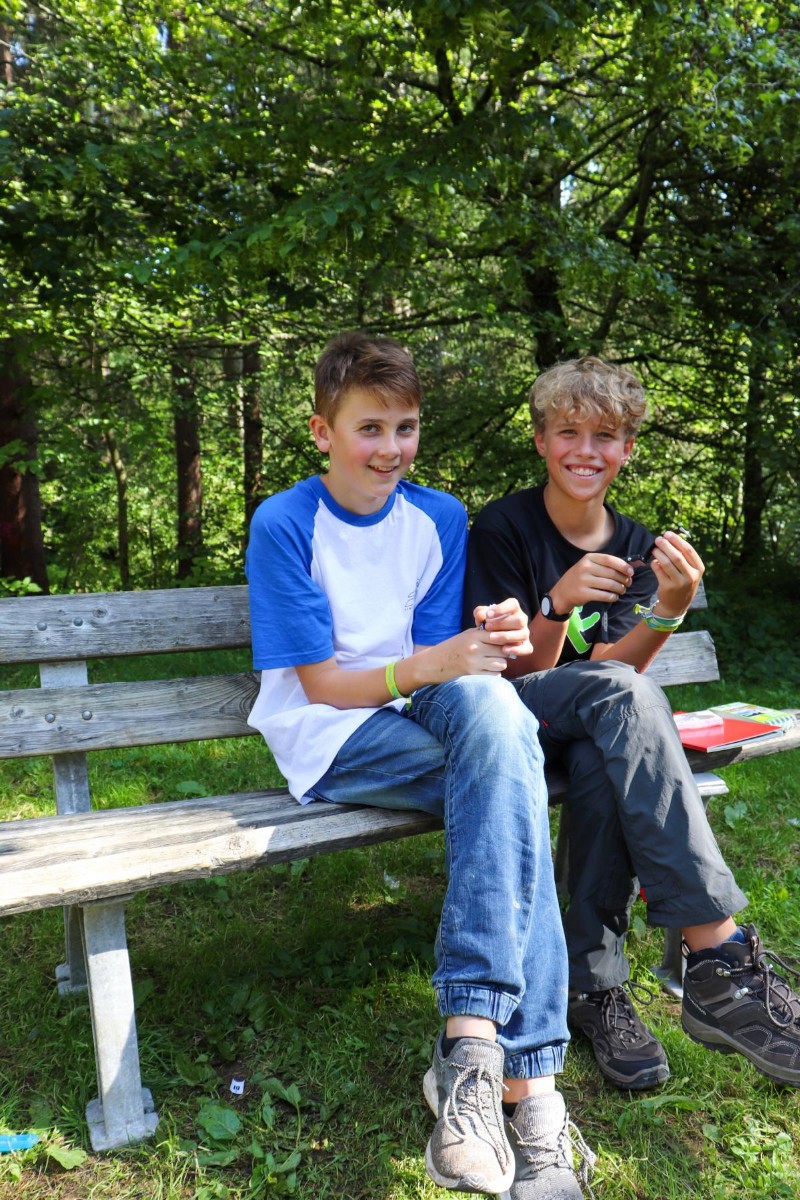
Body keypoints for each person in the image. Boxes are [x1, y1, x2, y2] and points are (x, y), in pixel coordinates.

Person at [245, 332, 595, 1200]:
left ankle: (470, 1051)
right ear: (322, 430)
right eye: (369, 428)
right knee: (511, 771)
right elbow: (322, 684)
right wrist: (434, 666)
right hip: (332, 732)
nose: (390, 449)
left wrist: (488, 640)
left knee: (498, 719)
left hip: (422, 710)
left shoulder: (436, 516)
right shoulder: (286, 523)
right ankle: (534, 1092)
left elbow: (450, 661)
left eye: (404, 428)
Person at [464, 355, 800, 1093]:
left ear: (628, 448)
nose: (586, 450)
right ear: (541, 440)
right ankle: (716, 955)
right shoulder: (503, 527)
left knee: (599, 761)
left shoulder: (635, 542)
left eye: (605, 436)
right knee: (613, 707)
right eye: (568, 432)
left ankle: (593, 989)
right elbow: (505, 675)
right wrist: (555, 603)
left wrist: (667, 609)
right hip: (505, 719)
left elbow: (615, 667)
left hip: (591, 720)